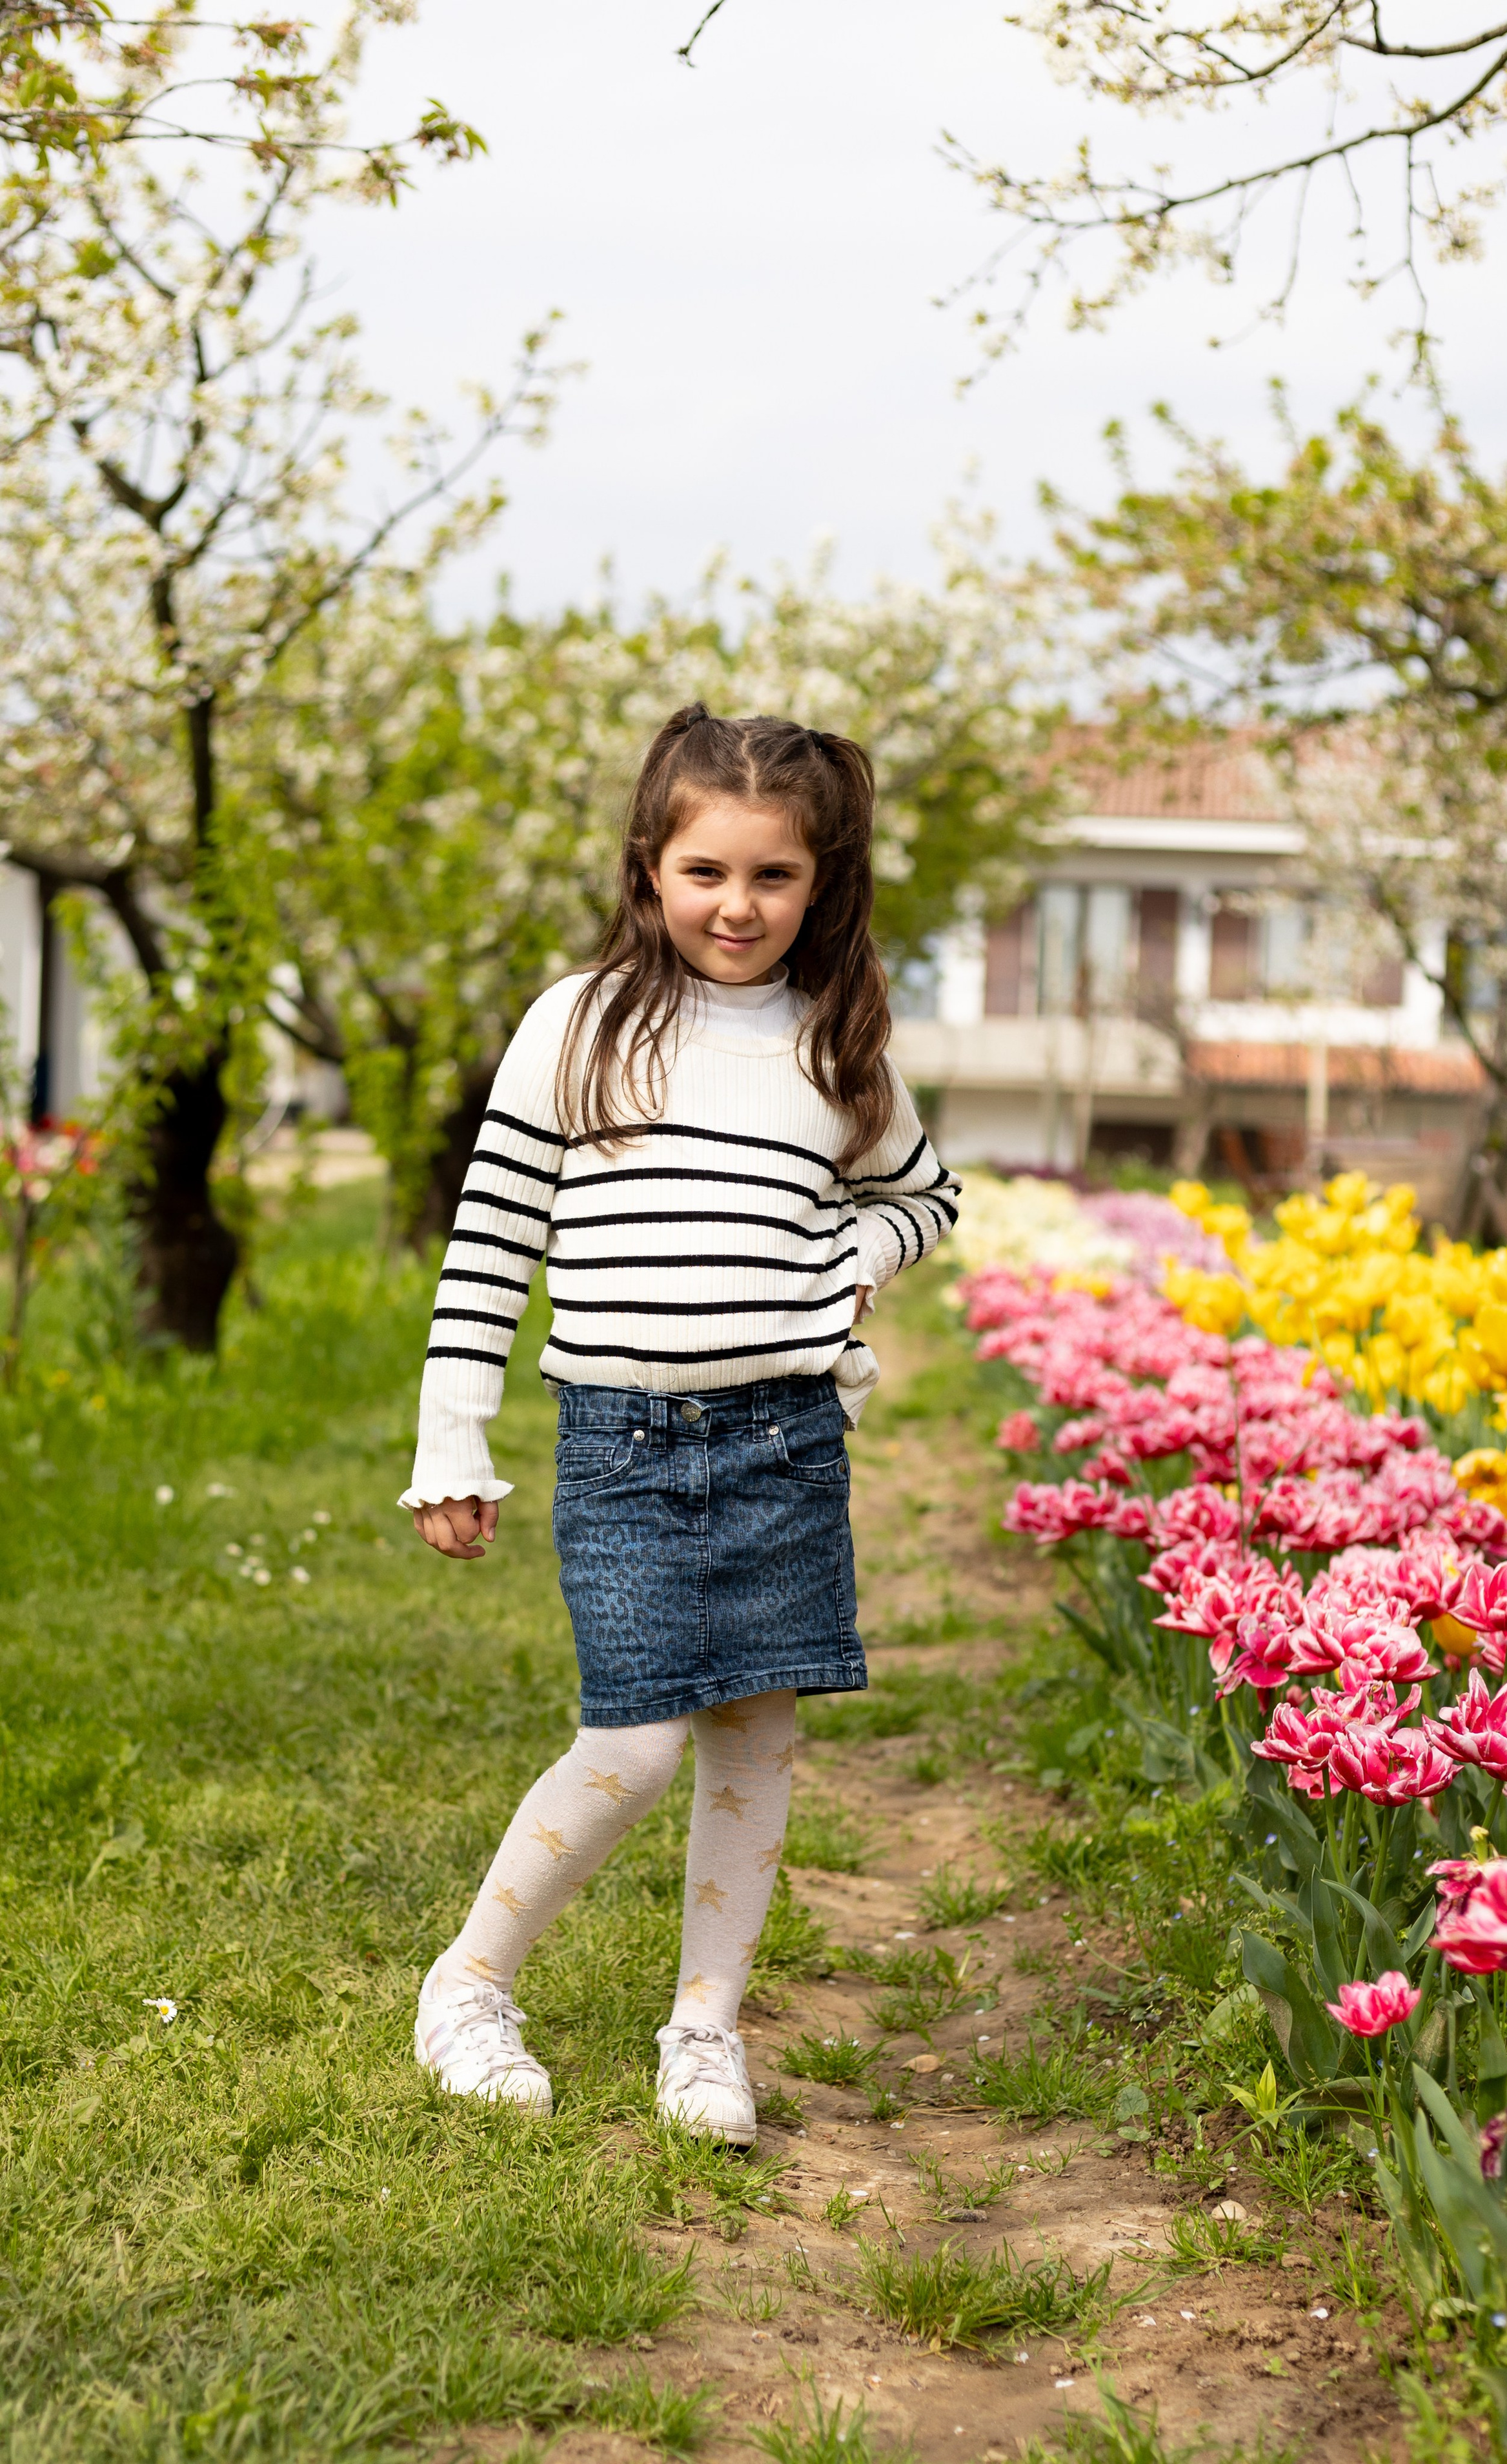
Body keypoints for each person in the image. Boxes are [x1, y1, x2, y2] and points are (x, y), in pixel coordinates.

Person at [400, 704, 960, 2143]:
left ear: (819, 884)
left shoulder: (833, 1046)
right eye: (705, 869)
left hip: (782, 1439)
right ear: (650, 865)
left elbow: (926, 1195)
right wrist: (452, 1438)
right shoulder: (577, 1024)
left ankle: (703, 2026)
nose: (737, 903)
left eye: (772, 876)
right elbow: (489, 1245)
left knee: (753, 1735)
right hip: (624, 1446)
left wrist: (856, 1259)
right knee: (633, 1741)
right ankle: (468, 1982)